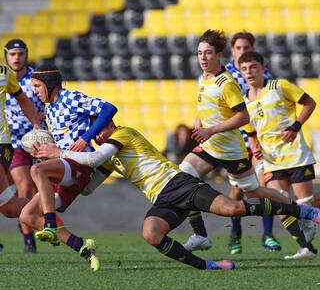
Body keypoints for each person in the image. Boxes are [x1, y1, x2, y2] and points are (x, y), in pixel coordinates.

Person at [27, 119, 320, 271]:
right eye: (95, 133)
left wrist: (58, 154)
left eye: (100, 129)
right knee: (151, 234)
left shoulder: (124, 134)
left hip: (178, 184)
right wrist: (58, 176)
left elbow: (91, 158)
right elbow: (89, 188)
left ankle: (303, 211)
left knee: (233, 209)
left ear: (110, 126)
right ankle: (208, 265)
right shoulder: (107, 157)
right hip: (162, 199)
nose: (98, 135)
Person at [177, 29, 307, 254]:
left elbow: (244, 116)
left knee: (254, 191)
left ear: (219, 55)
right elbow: (209, 106)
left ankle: (297, 211)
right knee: (181, 178)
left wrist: (213, 130)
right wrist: (200, 122)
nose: (203, 58)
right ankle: (200, 234)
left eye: (208, 53)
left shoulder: (227, 83)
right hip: (210, 145)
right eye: (200, 53)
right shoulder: (203, 78)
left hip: (231, 149)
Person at [19, 63, 117, 271]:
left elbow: (109, 108)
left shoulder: (71, 98)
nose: (34, 91)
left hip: (79, 163)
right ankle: (82, 247)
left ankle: (51, 224)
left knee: (37, 170)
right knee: (26, 216)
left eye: (37, 86)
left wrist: (86, 137)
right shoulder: (50, 108)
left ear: (49, 84)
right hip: (63, 167)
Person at [239, 51, 320, 259]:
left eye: (253, 67)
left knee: (306, 205)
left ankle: (308, 226)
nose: (249, 72)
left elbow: (310, 102)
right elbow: (251, 133)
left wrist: (295, 125)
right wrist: (255, 146)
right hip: (272, 161)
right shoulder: (244, 103)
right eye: (245, 68)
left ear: (263, 68)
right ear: (240, 72)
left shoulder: (279, 86)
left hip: (296, 155)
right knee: (281, 205)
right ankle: (306, 249)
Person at [224, 32, 280, 254]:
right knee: (237, 191)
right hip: (235, 141)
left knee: (262, 186)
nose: (242, 51)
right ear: (232, 51)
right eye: (238, 48)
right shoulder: (225, 74)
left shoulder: (262, 72)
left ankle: (267, 235)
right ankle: (235, 234)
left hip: (258, 140)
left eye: (246, 47)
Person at [4, 39, 48, 253]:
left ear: (26, 55)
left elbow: (53, 101)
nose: (17, 58)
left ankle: (31, 220)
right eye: (12, 54)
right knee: (25, 186)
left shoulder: (36, 78)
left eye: (20, 53)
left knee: (37, 189)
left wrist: (41, 119)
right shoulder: (4, 76)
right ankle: (29, 241)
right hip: (12, 142)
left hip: (38, 140)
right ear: (6, 56)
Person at [0, 63, 41, 221]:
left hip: (1, 144)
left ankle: (49, 213)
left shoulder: (3, 73)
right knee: (9, 208)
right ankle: (46, 207)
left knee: (12, 203)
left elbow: (22, 99)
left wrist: (36, 124)